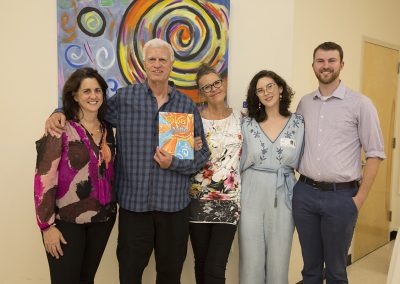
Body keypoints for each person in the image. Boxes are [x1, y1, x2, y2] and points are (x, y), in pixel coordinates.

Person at [45, 38, 210, 284]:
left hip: (174, 207)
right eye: (152, 59)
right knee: (130, 274)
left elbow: (202, 154)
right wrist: (58, 111)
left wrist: (173, 163)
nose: (157, 64)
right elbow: (90, 108)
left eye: (162, 59)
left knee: (170, 274)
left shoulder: (185, 105)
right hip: (135, 208)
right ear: (144, 64)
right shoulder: (125, 99)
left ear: (171, 64)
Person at [292, 41, 386, 284]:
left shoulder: (360, 104)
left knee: (335, 271)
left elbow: (375, 153)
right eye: (320, 61)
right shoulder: (304, 103)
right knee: (310, 270)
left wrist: (359, 200)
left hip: (341, 198)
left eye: (331, 61)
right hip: (304, 194)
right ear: (313, 65)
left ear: (341, 65)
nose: (326, 66)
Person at [34, 67, 117, 284]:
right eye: (86, 91)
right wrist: (46, 226)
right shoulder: (60, 128)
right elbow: (44, 179)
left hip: (102, 220)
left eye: (97, 90)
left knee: (86, 279)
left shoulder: (108, 128)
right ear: (75, 96)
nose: (93, 96)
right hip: (66, 222)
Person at [239, 70, 304, 284]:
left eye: (269, 86)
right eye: (259, 90)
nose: (266, 92)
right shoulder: (247, 124)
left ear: (280, 88)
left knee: (279, 259)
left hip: (284, 192)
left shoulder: (298, 123)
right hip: (251, 192)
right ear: (255, 96)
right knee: (251, 259)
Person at [189, 63, 242, 284]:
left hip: (229, 202)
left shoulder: (242, 118)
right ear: (201, 93)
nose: (213, 89)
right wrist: (189, 147)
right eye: (207, 87)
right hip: (197, 200)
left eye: (216, 83)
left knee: (215, 267)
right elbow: (181, 161)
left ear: (223, 83)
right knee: (201, 262)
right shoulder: (194, 122)